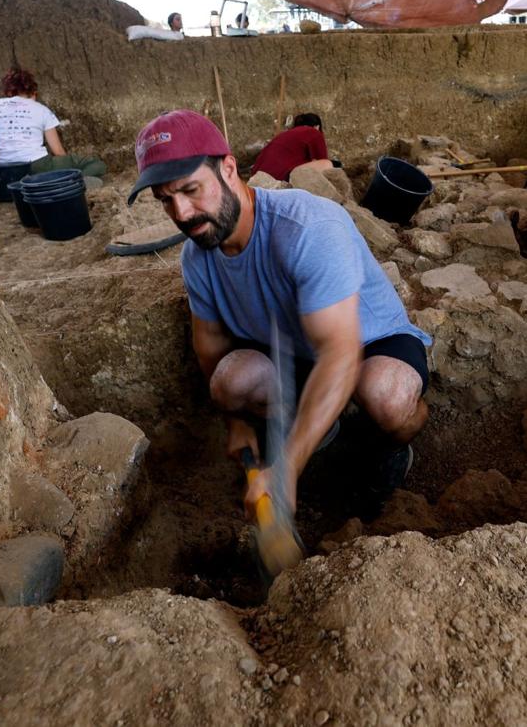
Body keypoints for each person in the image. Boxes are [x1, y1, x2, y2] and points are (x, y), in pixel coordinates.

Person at [128, 109, 430, 527]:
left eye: (191, 190)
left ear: (228, 168)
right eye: (165, 200)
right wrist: (235, 423)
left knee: (387, 398)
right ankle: (323, 433)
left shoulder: (307, 229)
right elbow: (211, 349)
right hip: (293, 351)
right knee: (232, 380)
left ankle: (389, 450)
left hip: (365, 344)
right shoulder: (197, 256)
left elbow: (339, 354)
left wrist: (286, 467)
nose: (181, 213)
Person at [0, 68, 66, 169]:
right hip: (36, 165)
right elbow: (58, 152)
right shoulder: (42, 110)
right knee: (80, 162)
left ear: (9, 92)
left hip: (5, 168)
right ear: (33, 92)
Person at [253, 112, 333, 181]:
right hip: (278, 177)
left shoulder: (286, 134)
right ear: (317, 126)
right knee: (327, 164)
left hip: (256, 176)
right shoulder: (314, 132)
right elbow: (322, 160)